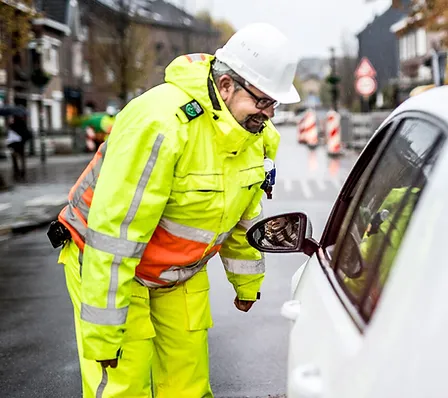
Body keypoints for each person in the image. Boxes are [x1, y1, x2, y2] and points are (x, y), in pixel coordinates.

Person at [55, 22, 300, 398]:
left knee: (188, 385)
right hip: (110, 265)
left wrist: (247, 282)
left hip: (176, 271)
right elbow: (115, 236)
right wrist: (104, 336)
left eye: (274, 103)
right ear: (226, 86)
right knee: (124, 385)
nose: (268, 113)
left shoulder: (255, 136)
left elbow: (244, 215)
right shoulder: (160, 125)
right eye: (262, 100)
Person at [6, 114, 31, 179]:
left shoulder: (13, 126)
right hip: (21, 144)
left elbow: (10, 135)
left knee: (14, 157)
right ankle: (23, 169)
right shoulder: (23, 124)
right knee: (22, 157)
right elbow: (27, 134)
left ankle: (16, 170)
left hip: (15, 144)